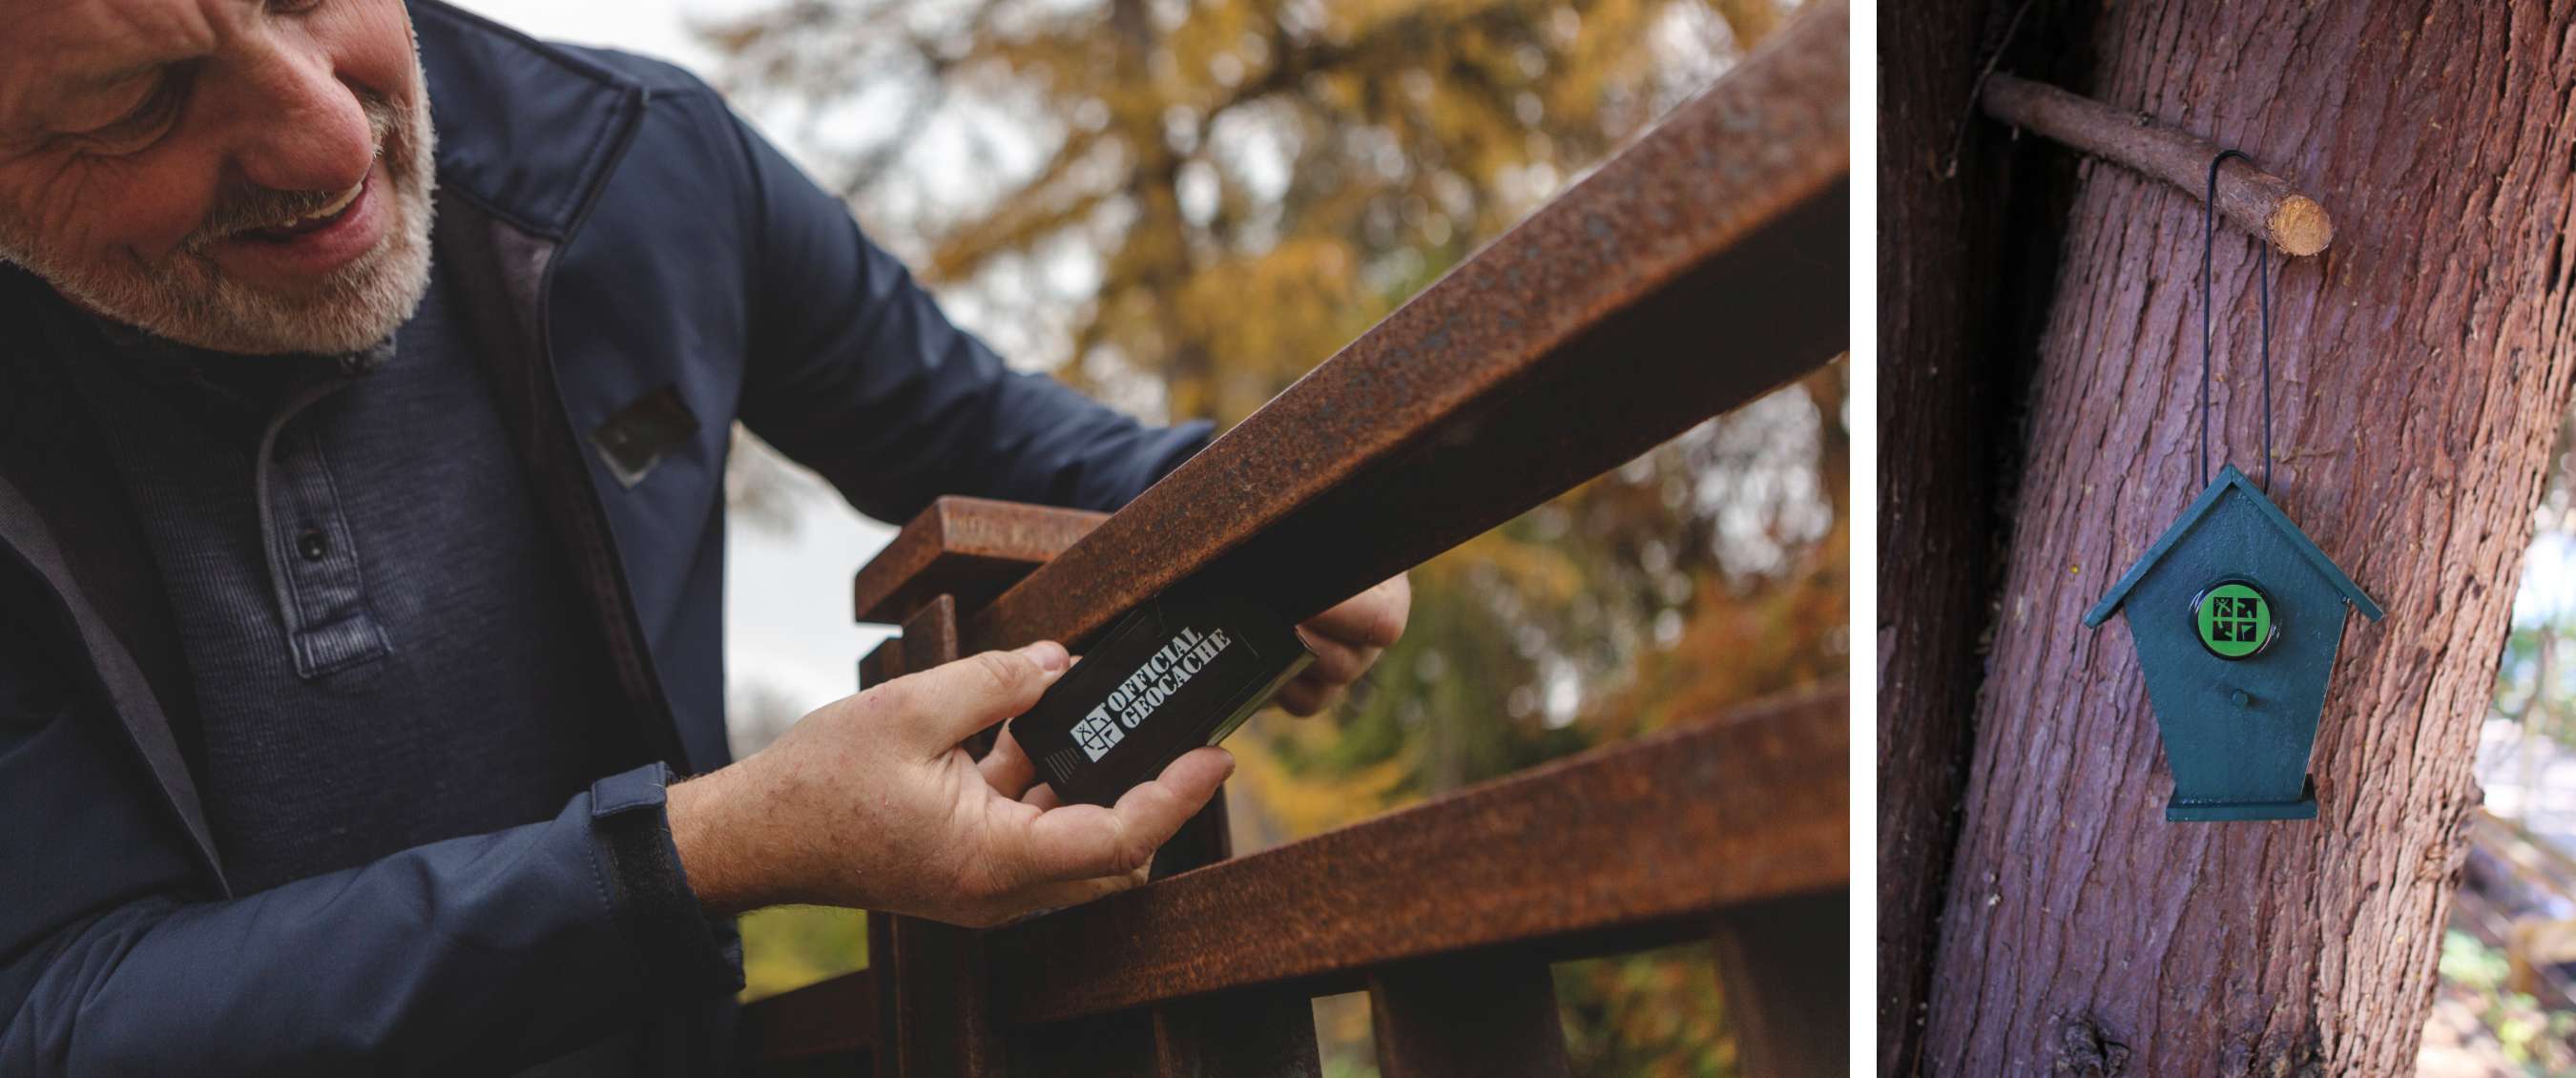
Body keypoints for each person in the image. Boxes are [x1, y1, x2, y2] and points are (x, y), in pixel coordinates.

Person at [0, 1, 1410, 1073]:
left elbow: (993, 434)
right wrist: (703, 846)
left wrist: (1283, 499)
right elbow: (55, 1002)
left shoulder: (637, 166)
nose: (327, 141)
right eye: (136, 103)